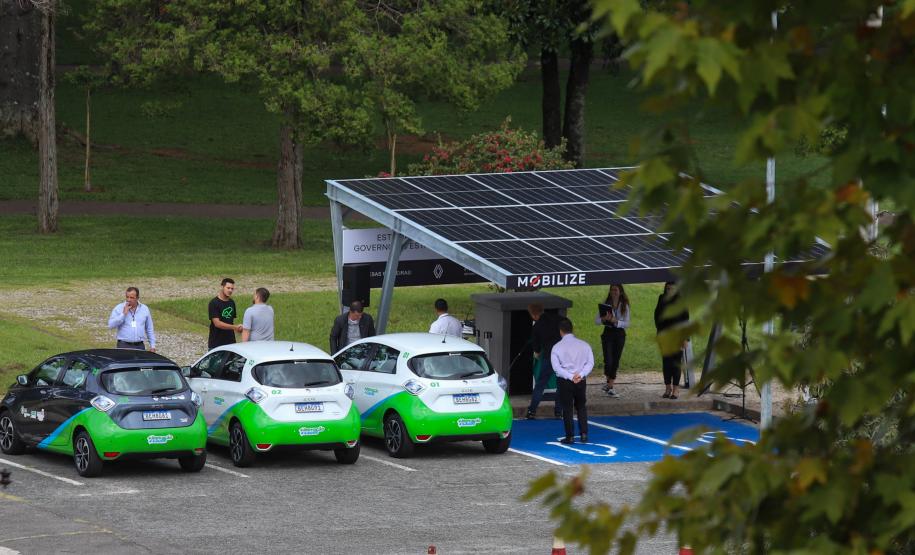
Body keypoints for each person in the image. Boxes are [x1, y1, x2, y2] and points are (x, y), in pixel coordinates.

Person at [550, 318, 593, 444]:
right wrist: (581, 374)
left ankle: (570, 436)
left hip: (565, 381)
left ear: (561, 331)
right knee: (581, 406)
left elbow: (556, 367)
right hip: (581, 380)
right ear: (572, 329)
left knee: (567, 408)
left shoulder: (557, 347)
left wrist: (570, 376)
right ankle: (584, 434)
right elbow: (590, 363)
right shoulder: (585, 345)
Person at [525, 303, 563, 420]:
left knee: (540, 384)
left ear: (533, 315)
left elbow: (536, 348)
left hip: (549, 356)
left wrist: (537, 353)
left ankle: (532, 411)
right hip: (562, 356)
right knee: (561, 383)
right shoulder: (559, 319)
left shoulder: (537, 326)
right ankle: (558, 411)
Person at [654, 281, 689, 399]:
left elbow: (686, 320)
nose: (669, 291)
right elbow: (656, 317)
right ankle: (667, 388)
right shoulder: (661, 298)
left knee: (676, 363)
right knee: (666, 363)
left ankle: (676, 389)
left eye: (672, 289)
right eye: (668, 288)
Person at [596, 284, 630, 398]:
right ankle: (608, 382)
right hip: (608, 333)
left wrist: (616, 321)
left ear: (620, 291)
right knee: (608, 359)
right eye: (612, 290)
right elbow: (596, 321)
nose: (613, 292)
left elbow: (627, 323)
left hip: (619, 334)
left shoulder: (624, 305)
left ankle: (610, 385)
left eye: (616, 290)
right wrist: (603, 319)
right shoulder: (605, 303)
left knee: (615, 360)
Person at [107, 286, 156, 351]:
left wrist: (152, 346)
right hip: (123, 345)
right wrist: (123, 314)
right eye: (127, 297)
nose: (128, 300)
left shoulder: (144, 309)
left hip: (139, 346)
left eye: (132, 298)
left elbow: (149, 329)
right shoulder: (119, 308)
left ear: (137, 298)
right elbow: (110, 325)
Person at [208, 278, 242, 349]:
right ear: (222, 287)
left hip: (230, 342)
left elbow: (230, 321)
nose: (230, 290)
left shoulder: (232, 302)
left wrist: (238, 328)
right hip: (216, 343)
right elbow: (217, 324)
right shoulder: (213, 303)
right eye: (228, 288)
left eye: (232, 289)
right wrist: (235, 327)